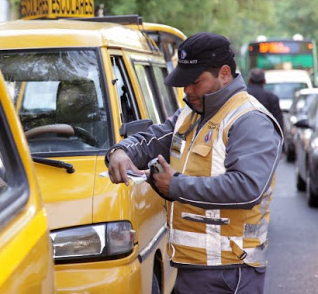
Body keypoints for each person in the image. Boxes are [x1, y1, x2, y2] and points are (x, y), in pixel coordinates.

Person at [105, 33, 283, 293]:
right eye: (184, 83)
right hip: (192, 269)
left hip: (230, 272)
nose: (187, 90)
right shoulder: (190, 114)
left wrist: (176, 186)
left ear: (223, 74)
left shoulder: (249, 119)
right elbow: (152, 139)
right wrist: (120, 151)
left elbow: (248, 188)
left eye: (195, 82)